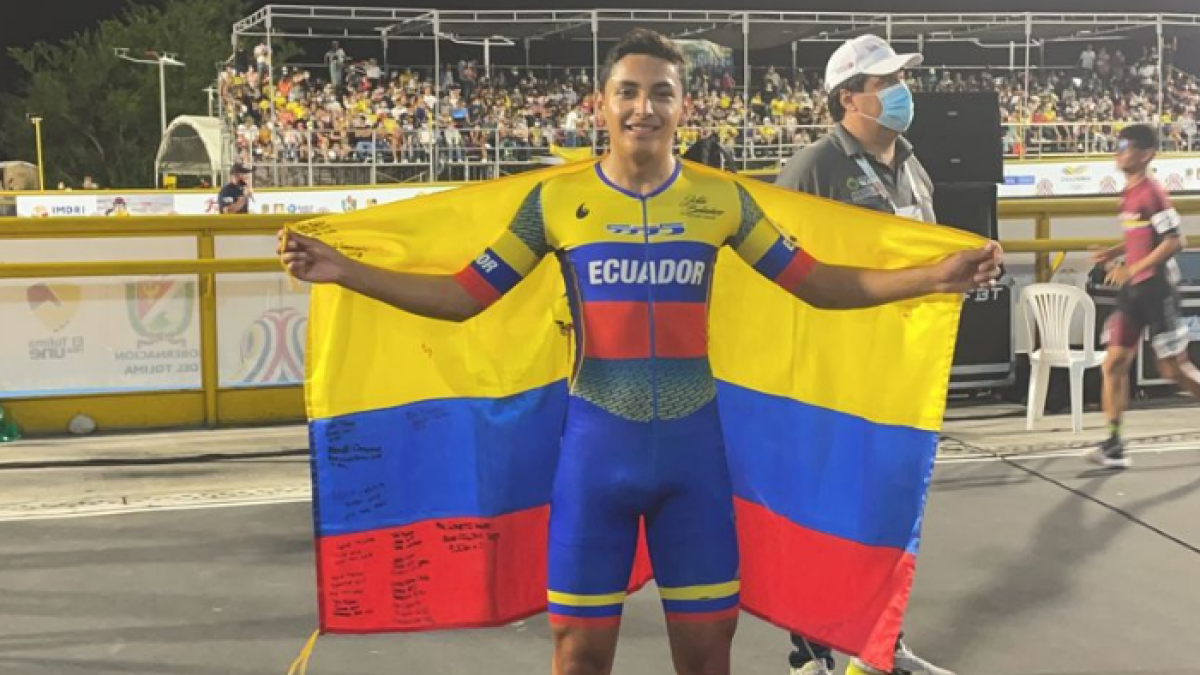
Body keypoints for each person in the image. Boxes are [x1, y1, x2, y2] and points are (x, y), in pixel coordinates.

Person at [281, 28, 1001, 675]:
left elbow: (818, 284)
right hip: (594, 463)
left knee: (707, 656)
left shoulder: (722, 201)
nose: (643, 108)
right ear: (602, 104)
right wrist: (346, 270)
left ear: (684, 106)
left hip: (695, 466)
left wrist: (931, 276)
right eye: (628, 92)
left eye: (662, 93)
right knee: (579, 656)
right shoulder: (557, 204)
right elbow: (467, 294)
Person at [775, 34, 954, 675]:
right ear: (850, 97)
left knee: (890, 511)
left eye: (901, 79)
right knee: (826, 520)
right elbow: (783, 277)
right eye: (887, 84)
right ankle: (812, 654)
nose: (901, 93)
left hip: (900, 373)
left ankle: (880, 643)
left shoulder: (911, 164)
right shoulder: (812, 171)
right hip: (833, 380)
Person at [1088, 124, 1200, 469]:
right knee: (1114, 364)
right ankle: (1114, 443)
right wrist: (1114, 252)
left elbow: (1174, 242)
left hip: (1156, 291)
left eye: (1125, 146)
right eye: (1118, 145)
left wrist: (1132, 269)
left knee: (1172, 370)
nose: (1118, 151)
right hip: (1133, 292)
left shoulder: (1153, 193)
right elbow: (1141, 235)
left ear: (1145, 153)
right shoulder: (1129, 193)